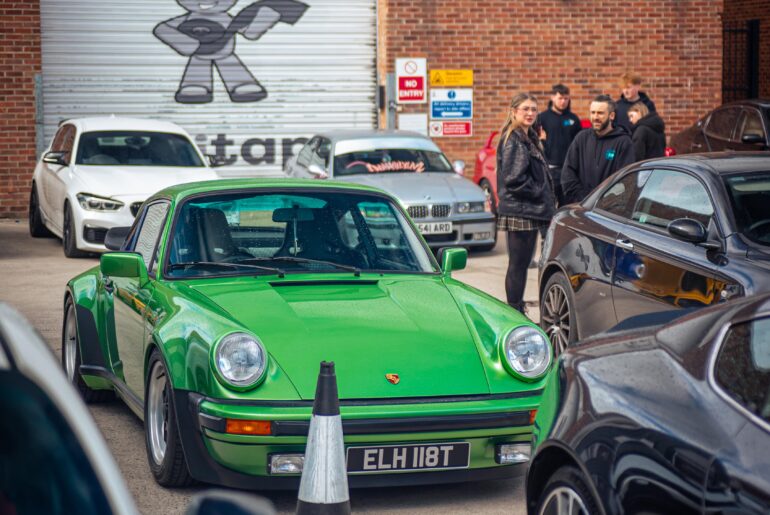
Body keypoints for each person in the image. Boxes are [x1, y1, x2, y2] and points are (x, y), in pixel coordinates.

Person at [496, 93, 556, 314]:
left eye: (533, 109)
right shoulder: (513, 139)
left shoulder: (527, 136)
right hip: (520, 210)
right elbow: (514, 179)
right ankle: (514, 311)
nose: (530, 113)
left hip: (528, 209)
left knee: (521, 265)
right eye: (525, 109)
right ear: (513, 112)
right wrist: (540, 192)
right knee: (518, 266)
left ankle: (517, 307)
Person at [561, 95, 635, 204]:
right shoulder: (581, 138)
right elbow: (568, 173)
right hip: (580, 206)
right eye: (593, 112)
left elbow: (626, 180)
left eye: (600, 113)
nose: (595, 117)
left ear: (612, 116)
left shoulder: (623, 142)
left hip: (608, 210)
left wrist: (602, 201)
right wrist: (584, 200)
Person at [536, 84, 582, 206]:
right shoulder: (542, 118)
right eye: (560, 98)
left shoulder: (573, 119)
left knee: (568, 204)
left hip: (568, 169)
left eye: (566, 98)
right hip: (550, 169)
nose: (563, 102)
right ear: (552, 98)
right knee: (548, 203)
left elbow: (579, 144)